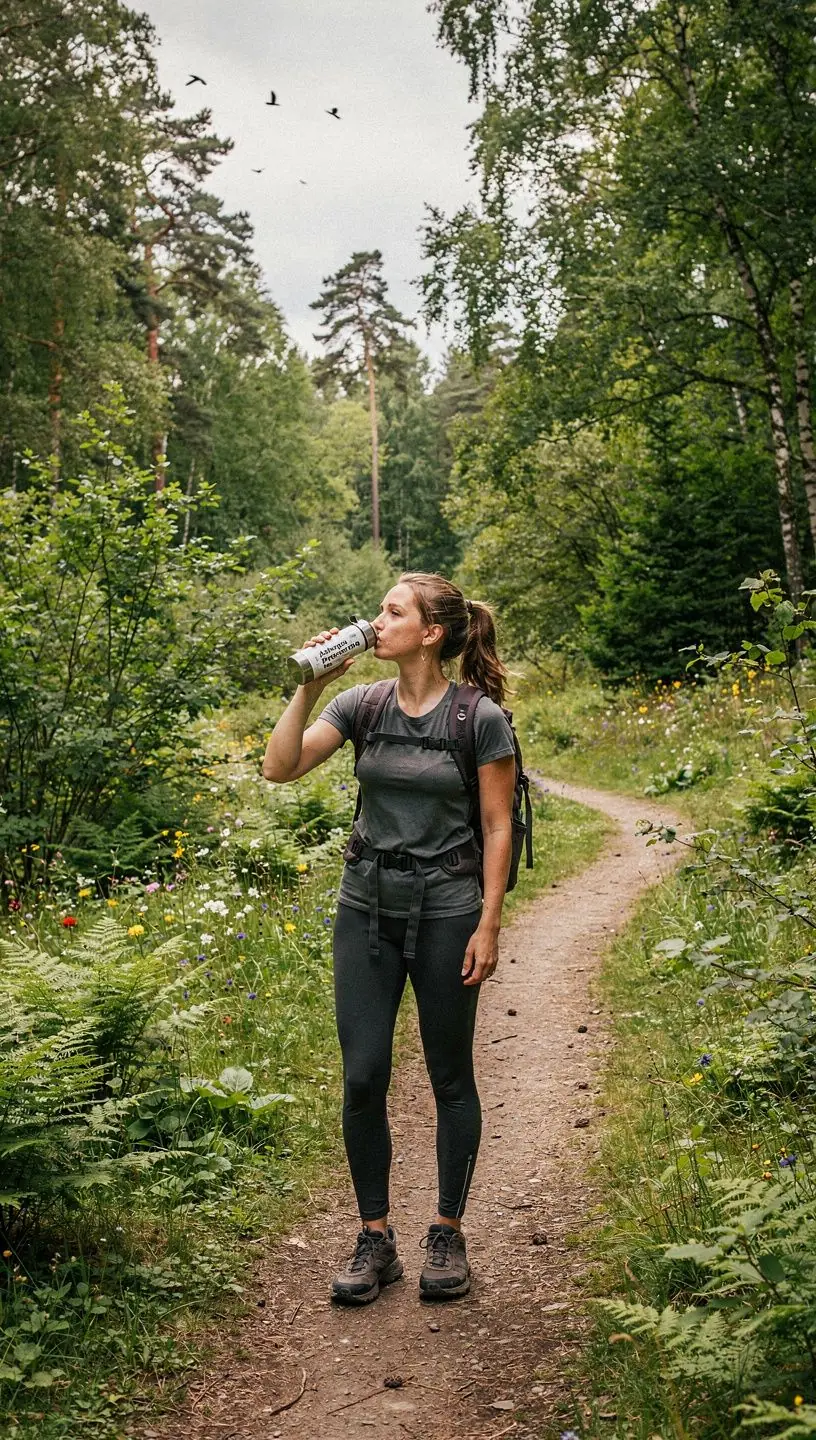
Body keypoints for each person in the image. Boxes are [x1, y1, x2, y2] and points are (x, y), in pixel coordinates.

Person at [262, 572, 516, 1304]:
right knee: (364, 1075)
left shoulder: (479, 719)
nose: (376, 622)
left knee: (449, 1076)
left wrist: (488, 922)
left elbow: (497, 828)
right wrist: (309, 684)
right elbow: (279, 768)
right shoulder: (362, 703)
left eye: (392, 611)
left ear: (431, 632)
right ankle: (375, 1238)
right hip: (364, 906)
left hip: (446, 910)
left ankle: (447, 1230)